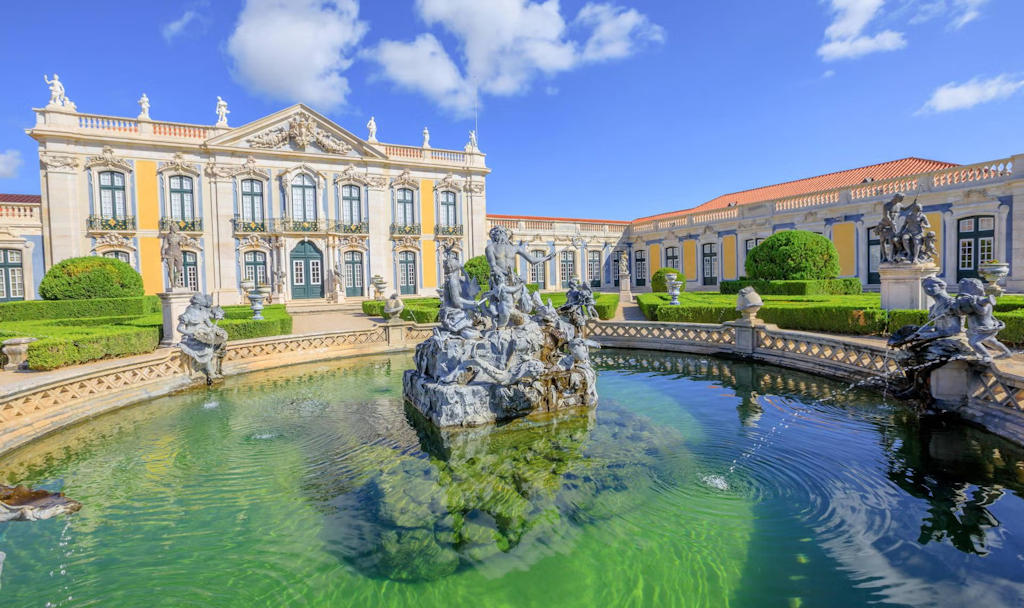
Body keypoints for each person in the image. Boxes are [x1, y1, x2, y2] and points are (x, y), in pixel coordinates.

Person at [958, 278, 1013, 361]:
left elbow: (982, 311)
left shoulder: (980, 300)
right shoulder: (975, 299)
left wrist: (974, 304)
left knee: (973, 342)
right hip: (981, 327)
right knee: (991, 341)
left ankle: (986, 356)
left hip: (984, 327)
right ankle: (1007, 352)